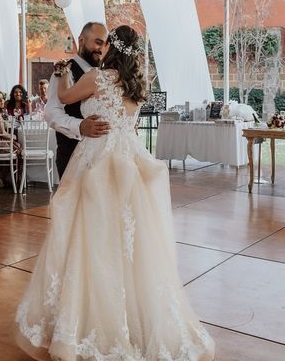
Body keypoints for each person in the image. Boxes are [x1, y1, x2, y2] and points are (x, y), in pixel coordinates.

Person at [14, 26, 216, 359]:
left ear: (111, 46)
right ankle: (135, 321)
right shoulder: (138, 84)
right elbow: (124, 122)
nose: (101, 45)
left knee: (92, 239)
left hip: (96, 159)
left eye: (105, 41)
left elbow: (64, 99)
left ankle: (89, 320)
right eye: (97, 39)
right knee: (129, 242)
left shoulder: (97, 77)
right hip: (127, 159)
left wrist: (62, 75)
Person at [45, 21, 111, 177]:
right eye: (98, 42)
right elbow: (51, 112)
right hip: (72, 156)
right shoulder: (64, 71)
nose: (101, 49)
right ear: (81, 40)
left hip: (100, 158)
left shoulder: (104, 74)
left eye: (105, 44)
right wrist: (79, 126)